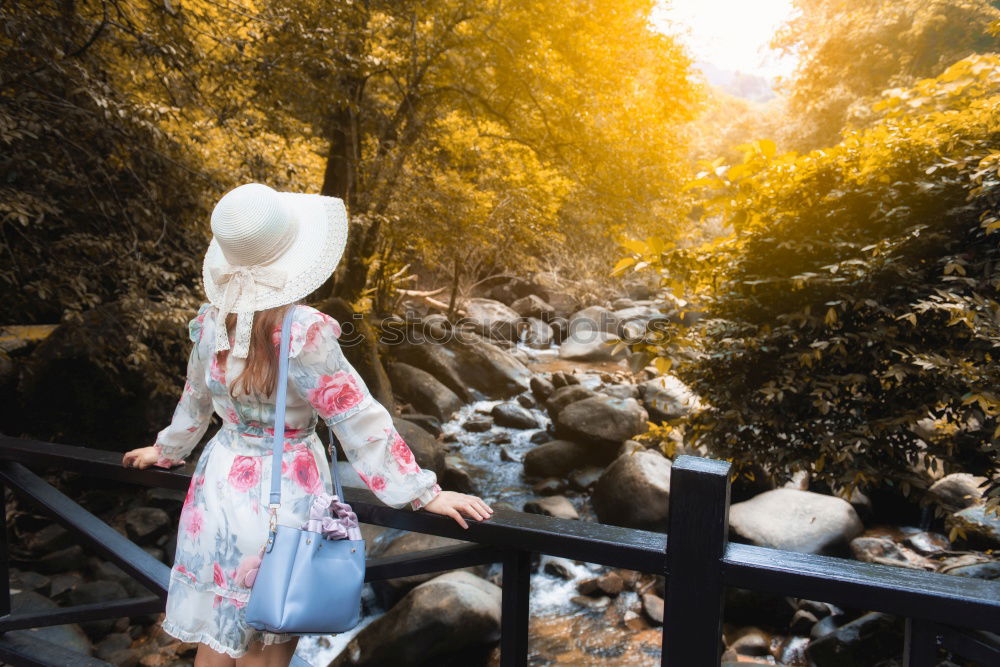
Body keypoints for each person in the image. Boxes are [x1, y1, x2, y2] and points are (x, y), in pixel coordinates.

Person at [121, 183, 493, 666]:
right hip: (286, 496)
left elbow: (195, 401)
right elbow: (356, 416)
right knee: (270, 643)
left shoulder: (212, 322)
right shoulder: (303, 330)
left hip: (217, 493)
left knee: (217, 639)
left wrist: (166, 451)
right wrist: (422, 492)